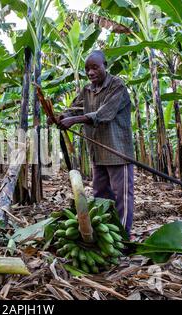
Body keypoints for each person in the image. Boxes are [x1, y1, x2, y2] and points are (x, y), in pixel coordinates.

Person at [49, 50, 135, 236]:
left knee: (123, 197)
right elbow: (74, 108)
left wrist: (75, 120)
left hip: (117, 151)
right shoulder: (87, 90)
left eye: (95, 67)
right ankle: (107, 233)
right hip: (97, 151)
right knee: (101, 194)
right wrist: (60, 117)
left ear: (105, 65)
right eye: (87, 69)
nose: (90, 72)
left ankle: (123, 236)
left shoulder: (117, 85)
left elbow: (105, 114)